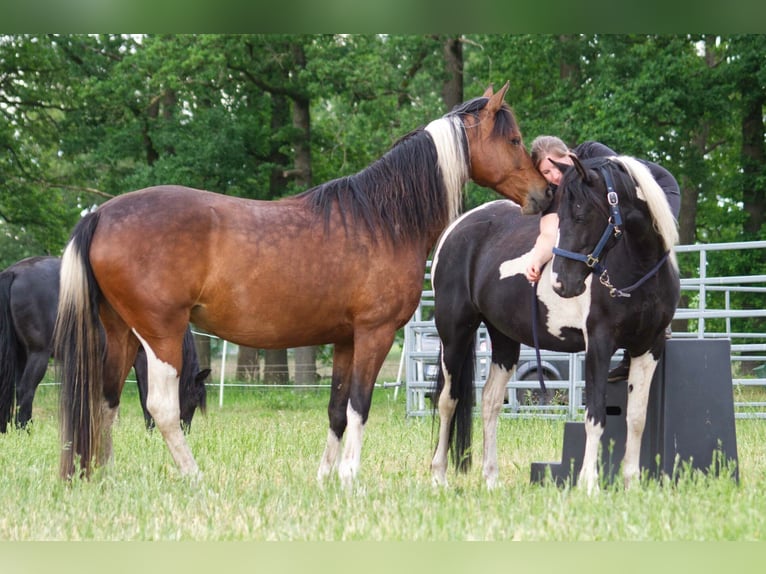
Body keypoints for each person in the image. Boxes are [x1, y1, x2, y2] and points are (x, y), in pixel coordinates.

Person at [526, 135, 681, 382]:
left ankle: (661, 321)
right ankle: (629, 356)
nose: (553, 176)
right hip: (627, 209)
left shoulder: (592, 152)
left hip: (657, 189)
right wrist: (536, 258)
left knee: (647, 246)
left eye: (554, 167)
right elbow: (548, 231)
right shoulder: (564, 190)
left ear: (567, 156)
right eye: (545, 173)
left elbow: (622, 182)